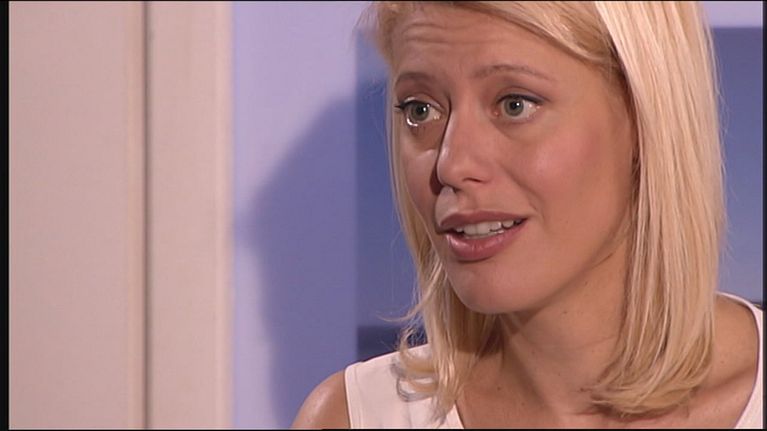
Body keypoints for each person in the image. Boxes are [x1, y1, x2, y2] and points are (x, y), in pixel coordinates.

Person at [292, 1, 763, 428]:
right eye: (421, 110)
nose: (452, 164)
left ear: (643, 118)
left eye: (514, 105)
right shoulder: (352, 418)